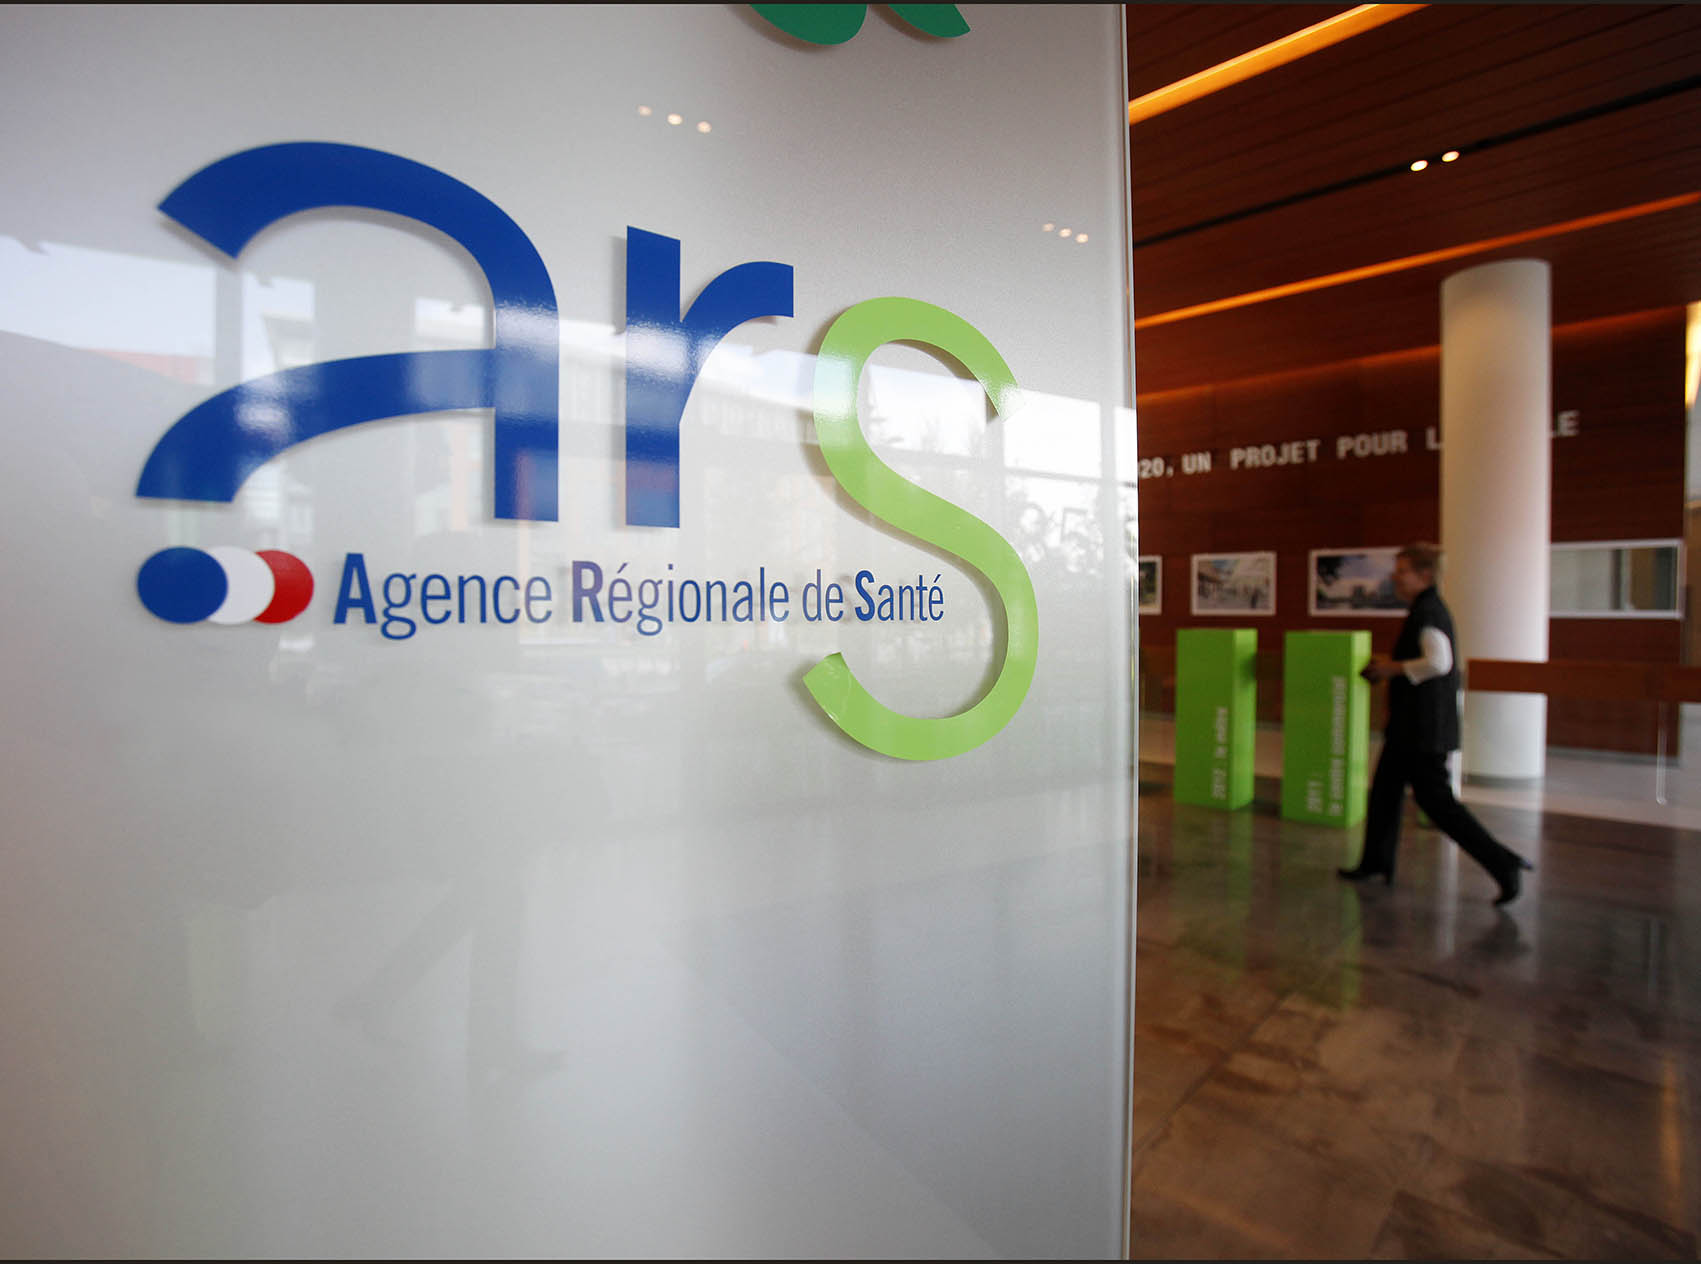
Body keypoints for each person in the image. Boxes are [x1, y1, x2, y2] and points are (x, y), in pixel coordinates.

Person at [1338, 542, 1534, 905]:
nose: (1396, 578)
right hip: (1411, 728)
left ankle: (1503, 862)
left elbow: (1439, 662)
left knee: (1437, 803)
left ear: (1424, 574)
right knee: (1384, 794)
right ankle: (1375, 862)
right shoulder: (1425, 609)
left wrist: (1391, 669)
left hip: (1422, 730)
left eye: (1403, 571)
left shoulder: (1428, 611)